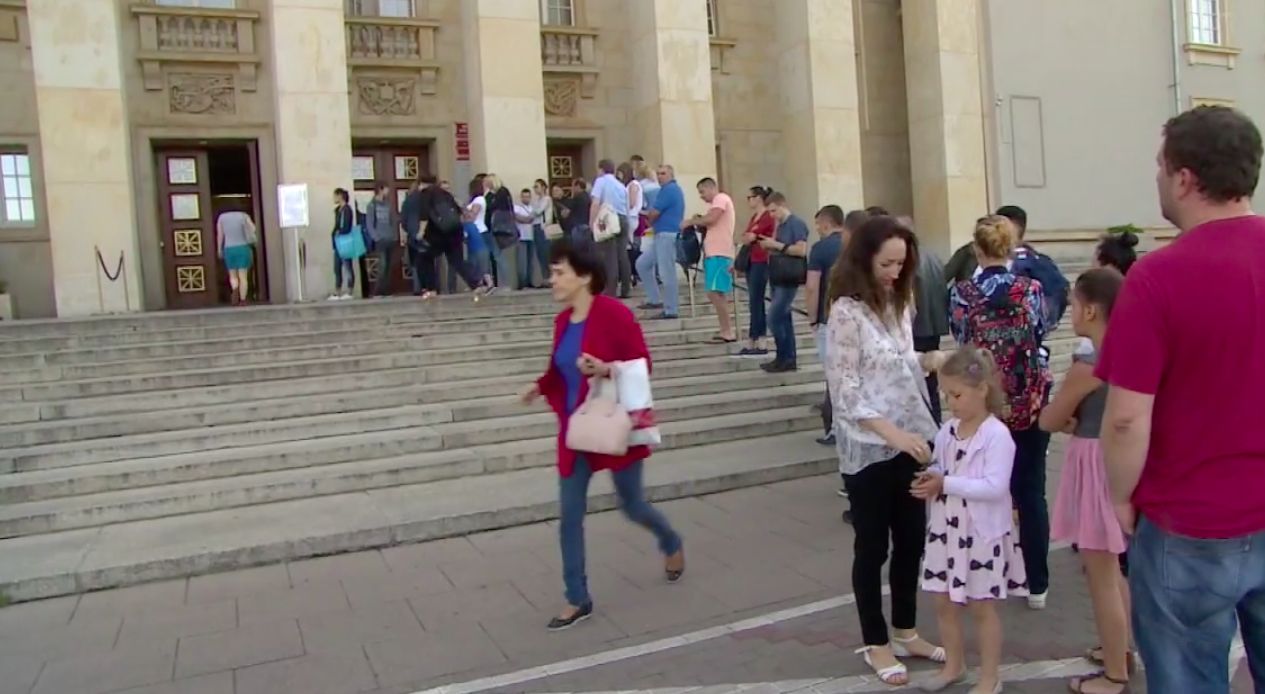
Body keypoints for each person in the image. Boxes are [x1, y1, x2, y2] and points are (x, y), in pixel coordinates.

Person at [1098, 105, 1265, 693]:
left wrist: (1118, 497)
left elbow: (1124, 418)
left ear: (1186, 178)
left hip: (1188, 524)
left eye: (1161, 167)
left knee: (1187, 681)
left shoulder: (1158, 276)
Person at [521, 238, 686, 631]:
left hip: (613, 425)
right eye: (552, 272)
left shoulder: (613, 314)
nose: (552, 280)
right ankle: (577, 597)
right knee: (569, 515)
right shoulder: (562, 321)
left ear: (585, 276)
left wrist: (607, 367)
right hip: (575, 430)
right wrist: (538, 386)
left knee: (632, 505)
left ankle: (670, 539)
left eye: (559, 272)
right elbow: (557, 369)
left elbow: (642, 363)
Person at [824, 215, 943, 686]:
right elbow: (846, 391)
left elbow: (899, 361)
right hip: (870, 445)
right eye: (887, 263)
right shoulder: (845, 313)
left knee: (912, 540)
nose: (895, 271)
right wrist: (890, 434)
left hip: (910, 436)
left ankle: (906, 630)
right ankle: (875, 642)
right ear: (865, 259)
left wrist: (932, 360)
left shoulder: (900, 302)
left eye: (901, 263)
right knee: (872, 547)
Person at [949, 215, 1052, 610]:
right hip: (1028, 402)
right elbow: (1040, 334)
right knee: (1031, 492)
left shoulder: (962, 294)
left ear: (977, 249)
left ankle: (986, 575)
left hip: (984, 404)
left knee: (983, 490)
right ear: (1011, 249)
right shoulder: (1031, 289)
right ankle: (1037, 584)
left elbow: (962, 344)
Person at [913, 346, 1028, 694]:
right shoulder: (949, 430)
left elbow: (995, 487)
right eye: (947, 395)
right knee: (943, 602)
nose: (951, 403)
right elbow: (942, 466)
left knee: (981, 607)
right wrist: (929, 476)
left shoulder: (997, 435)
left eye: (957, 394)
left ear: (982, 390)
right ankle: (954, 665)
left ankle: (990, 676)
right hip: (945, 531)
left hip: (980, 534)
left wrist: (945, 483)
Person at [1039, 268, 1131, 694]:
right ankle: (1121, 648)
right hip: (1117, 459)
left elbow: (1050, 419)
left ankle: (1115, 672)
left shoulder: (1089, 365)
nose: (1071, 311)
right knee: (1113, 569)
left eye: (1075, 304)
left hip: (1093, 461)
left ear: (1090, 308)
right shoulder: (1132, 352)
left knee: (1100, 573)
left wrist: (1065, 417)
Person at [806, 204, 849, 441]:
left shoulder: (820, 249)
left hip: (828, 318)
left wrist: (812, 318)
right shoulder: (856, 246)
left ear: (826, 223)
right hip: (854, 317)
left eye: (818, 225)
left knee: (834, 375)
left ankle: (835, 427)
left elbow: (812, 287)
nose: (818, 229)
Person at [413, 175, 489, 300]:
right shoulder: (446, 194)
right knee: (457, 260)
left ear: (422, 184)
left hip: (438, 234)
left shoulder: (425, 194)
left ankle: (431, 289)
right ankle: (477, 283)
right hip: (455, 231)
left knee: (424, 257)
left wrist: (421, 232)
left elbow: (424, 214)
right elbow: (460, 211)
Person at [907, 216, 949, 425]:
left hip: (917, 327)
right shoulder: (933, 256)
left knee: (919, 379)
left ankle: (927, 422)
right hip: (934, 324)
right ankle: (935, 419)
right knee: (930, 378)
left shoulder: (909, 259)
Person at [759, 192, 809, 372]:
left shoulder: (795, 224)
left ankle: (785, 354)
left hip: (789, 275)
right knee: (784, 318)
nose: (772, 215)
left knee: (774, 317)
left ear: (782, 205)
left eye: (773, 211)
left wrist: (776, 245)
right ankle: (786, 358)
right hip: (777, 274)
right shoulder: (779, 225)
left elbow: (801, 250)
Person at [685, 177, 737, 343]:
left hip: (720, 252)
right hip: (714, 252)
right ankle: (725, 329)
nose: (701, 196)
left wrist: (691, 221)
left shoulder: (721, 199)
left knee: (714, 292)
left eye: (702, 192)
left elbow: (711, 219)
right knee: (715, 292)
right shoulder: (715, 204)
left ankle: (727, 330)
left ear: (711, 188)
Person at [639, 164, 684, 320]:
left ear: (671, 175)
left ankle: (671, 309)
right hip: (660, 234)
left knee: (667, 273)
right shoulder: (666, 190)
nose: (660, 176)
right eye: (658, 173)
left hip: (667, 234)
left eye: (663, 173)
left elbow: (655, 213)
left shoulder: (669, 189)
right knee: (642, 264)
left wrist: (648, 218)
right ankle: (655, 299)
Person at [737, 186, 775, 356]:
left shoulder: (768, 216)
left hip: (762, 259)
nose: (749, 201)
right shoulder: (755, 217)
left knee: (757, 300)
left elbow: (767, 236)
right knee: (754, 301)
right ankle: (753, 338)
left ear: (759, 198)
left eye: (750, 197)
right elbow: (745, 236)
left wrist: (755, 237)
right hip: (751, 259)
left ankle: (760, 339)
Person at [589, 159, 632, 297]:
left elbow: (596, 203)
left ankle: (611, 289)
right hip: (623, 218)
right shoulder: (621, 185)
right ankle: (626, 288)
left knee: (609, 255)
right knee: (622, 255)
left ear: (601, 169)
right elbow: (627, 206)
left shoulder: (601, 181)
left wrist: (592, 222)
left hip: (609, 218)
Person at [216, 206, 256, 306]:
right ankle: (242, 299)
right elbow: (253, 229)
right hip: (243, 248)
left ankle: (235, 288)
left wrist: (219, 249)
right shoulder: (244, 216)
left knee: (232, 275)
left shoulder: (221, 217)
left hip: (229, 248)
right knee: (243, 275)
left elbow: (220, 235)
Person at [363, 182, 396, 297]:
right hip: (380, 239)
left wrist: (394, 235)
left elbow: (392, 220)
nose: (388, 191)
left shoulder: (388, 204)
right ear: (381, 189)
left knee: (388, 266)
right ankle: (377, 291)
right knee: (382, 265)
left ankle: (386, 290)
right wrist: (376, 237)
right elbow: (369, 223)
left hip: (390, 238)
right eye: (386, 189)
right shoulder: (372, 205)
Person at [483, 174, 516, 286]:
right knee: (498, 256)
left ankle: (505, 283)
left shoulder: (500, 193)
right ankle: (503, 283)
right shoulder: (502, 192)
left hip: (497, 227)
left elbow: (492, 207)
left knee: (498, 256)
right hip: (499, 227)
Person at [329, 187, 357, 300]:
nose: (334, 198)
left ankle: (350, 290)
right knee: (337, 267)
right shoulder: (338, 211)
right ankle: (338, 290)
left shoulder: (347, 210)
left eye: (335, 195)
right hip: (337, 242)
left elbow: (346, 226)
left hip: (344, 241)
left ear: (340, 196)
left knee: (347, 266)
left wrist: (339, 232)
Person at [529, 179, 554, 288]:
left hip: (543, 227)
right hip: (536, 226)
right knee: (539, 253)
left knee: (545, 253)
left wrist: (533, 212)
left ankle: (549, 278)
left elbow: (538, 211)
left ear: (543, 187)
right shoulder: (537, 200)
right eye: (534, 187)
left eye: (537, 186)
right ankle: (544, 278)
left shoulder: (546, 199)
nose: (535, 189)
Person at [514, 188, 538, 290]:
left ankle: (529, 282)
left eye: (528, 196)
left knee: (530, 262)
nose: (526, 198)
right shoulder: (517, 208)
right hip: (521, 237)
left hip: (531, 237)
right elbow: (519, 218)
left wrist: (527, 219)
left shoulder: (533, 208)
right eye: (524, 196)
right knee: (522, 262)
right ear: (521, 197)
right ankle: (522, 283)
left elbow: (531, 218)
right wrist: (528, 219)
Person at [561, 178, 592, 248]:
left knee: (577, 250)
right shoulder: (588, 197)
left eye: (573, 186)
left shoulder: (577, 197)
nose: (572, 188)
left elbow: (565, 213)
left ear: (578, 186)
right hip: (587, 226)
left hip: (578, 227)